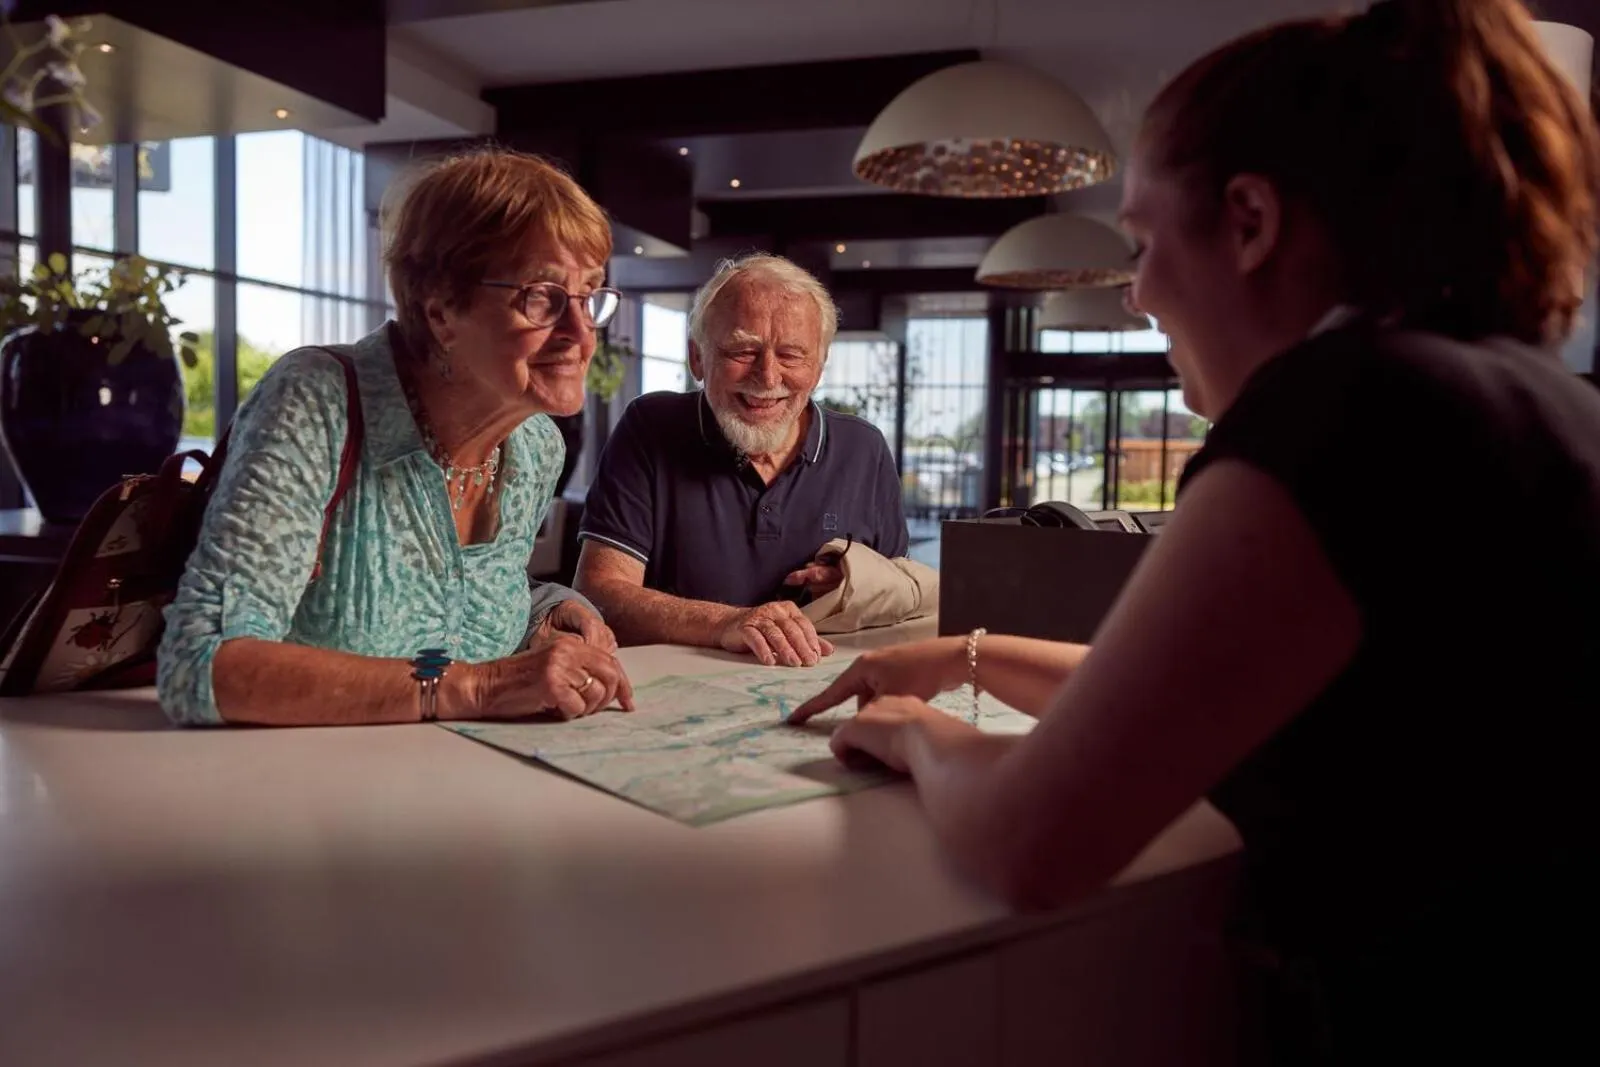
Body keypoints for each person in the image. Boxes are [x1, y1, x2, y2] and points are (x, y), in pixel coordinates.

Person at [791, 0, 1599, 1060]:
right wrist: (958, 655)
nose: (1136, 295)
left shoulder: (1342, 409)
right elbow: (1185, 689)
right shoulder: (1516, 396)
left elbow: (1034, 840)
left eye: (1141, 243)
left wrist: (906, 730)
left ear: (1250, 222)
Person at [158, 149, 635, 726]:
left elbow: (447, 604)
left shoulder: (536, 446)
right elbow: (203, 665)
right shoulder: (317, 401)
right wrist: (476, 688)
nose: (580, 334)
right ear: (441, 312)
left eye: (589, 296)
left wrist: (543, 614)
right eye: (543, 297)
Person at [575, 254, 916, 667]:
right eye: (743, 350)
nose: (768, 377)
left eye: (791, 355)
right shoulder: (650, 428)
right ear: (697, 357)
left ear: (819, 367)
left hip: (822, 686)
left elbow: (902, 598)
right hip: (676, 693)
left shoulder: (864, 448)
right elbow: (599, 592)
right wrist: (729, 623)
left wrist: (856, 586)